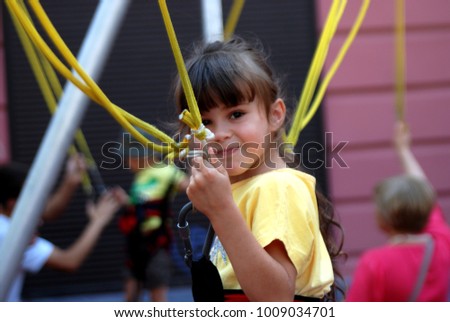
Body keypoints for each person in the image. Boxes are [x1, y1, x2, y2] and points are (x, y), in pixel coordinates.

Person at [173, 36, 344, 301]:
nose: (218, 134)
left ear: (275, 115)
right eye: (204, 122)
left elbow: (275, 301)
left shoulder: (277, 187)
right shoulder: (244, 189)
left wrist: (221, 210)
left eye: (236, 114)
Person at [346, 121, 450, 301]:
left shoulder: (375, 263)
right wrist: (403, 150)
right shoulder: (441, 245)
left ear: (383, 221)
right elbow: (425, 192)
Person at [0, 161, 126, 302]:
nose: (40, 220)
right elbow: (69, 262)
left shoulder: (7, 223)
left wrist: (70, 182)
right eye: (34, 202)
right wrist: (99, 220)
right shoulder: (10, 235)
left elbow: (47, 212)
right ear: (13, 203)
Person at [118, 131, 188, 302]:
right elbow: (141, 206)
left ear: (143, 156)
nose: (128, 162)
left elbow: (190, 186)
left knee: (157, 296)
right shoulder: (140, 177)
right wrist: (125, 201)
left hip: (157, 243)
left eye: (130, 157)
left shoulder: (166, 172)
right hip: (136, 243)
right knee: (130, 296)